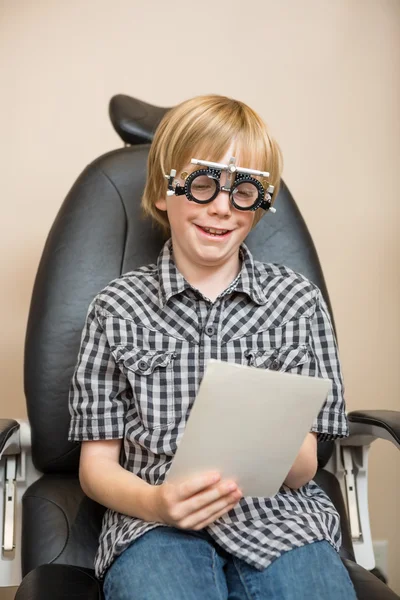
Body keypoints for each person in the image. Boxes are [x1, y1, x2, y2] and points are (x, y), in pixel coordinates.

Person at [68, 94, 357, 599]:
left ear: (259, 205)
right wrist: (157, 504)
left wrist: (276, 432)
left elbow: (307, 465)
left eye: (245, 191)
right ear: (164, 191)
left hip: (280, 517)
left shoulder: (297, 302)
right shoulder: (114, 308)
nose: (222, 207)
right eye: (202, 185)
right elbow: (96, 469)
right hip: (152, 522)